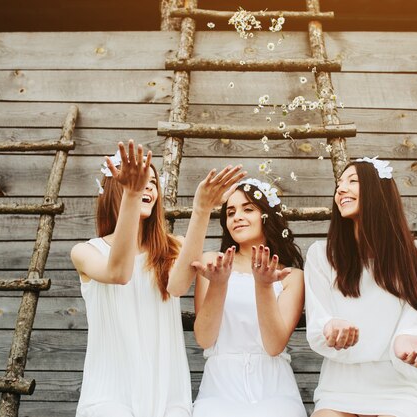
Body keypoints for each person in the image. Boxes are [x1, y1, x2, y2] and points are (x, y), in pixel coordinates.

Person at [305, 156, 417, 417]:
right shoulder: (321, 255)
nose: (341, 189)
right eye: (339, 184)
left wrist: (407, 341)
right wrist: (329, 326)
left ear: (377, 192)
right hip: (340, 387)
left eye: (352, 181)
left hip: (399, 390)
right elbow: (319, 318)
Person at [70, 140, 192, 417]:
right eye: (138, 182)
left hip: (168, 395)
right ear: (116, 190)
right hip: (109, 395)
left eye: (152, 183)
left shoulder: (174, 248)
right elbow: (118, 273)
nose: (148, 187)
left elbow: (182, 284)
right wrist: (132, 196)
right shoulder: (87, 252)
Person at [169, 175, 307, 417]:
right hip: (220, 385)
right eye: (230, 212)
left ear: (267, 216)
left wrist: (263, 286)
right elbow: (204, 338)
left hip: (273, 385)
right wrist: (219, 284)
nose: (237, 217)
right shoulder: (212, 262)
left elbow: (274, 346)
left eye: (248, 209)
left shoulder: (290, 276)